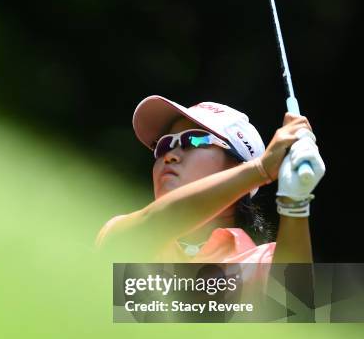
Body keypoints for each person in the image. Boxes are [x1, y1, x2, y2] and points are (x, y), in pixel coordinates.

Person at [96, 95, 326, 267]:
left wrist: (296, 200)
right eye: (164, 145)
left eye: (194, 140)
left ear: (238, 166)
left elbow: (294, 307)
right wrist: (261, 169)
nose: (169, 155)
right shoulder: (127, 229)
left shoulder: (263, 264)